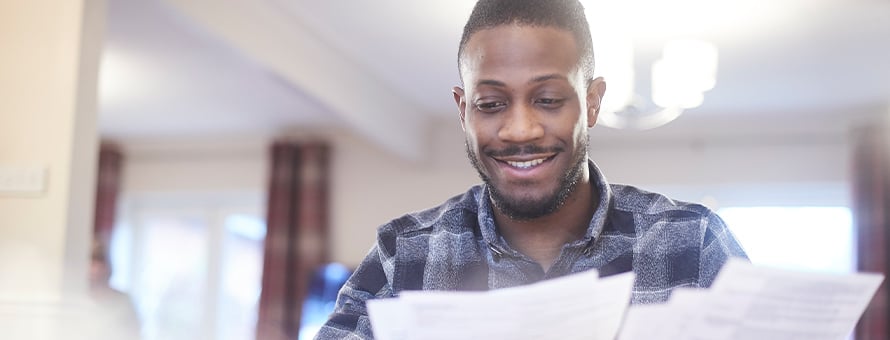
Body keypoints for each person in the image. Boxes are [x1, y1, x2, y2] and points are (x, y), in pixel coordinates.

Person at [315, 0, 747, 338]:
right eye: (491, 104)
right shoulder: (404, 256)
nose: (520, 129)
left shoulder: (694, 241)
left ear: (592, 102)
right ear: (464, 111)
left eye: (547, 99)